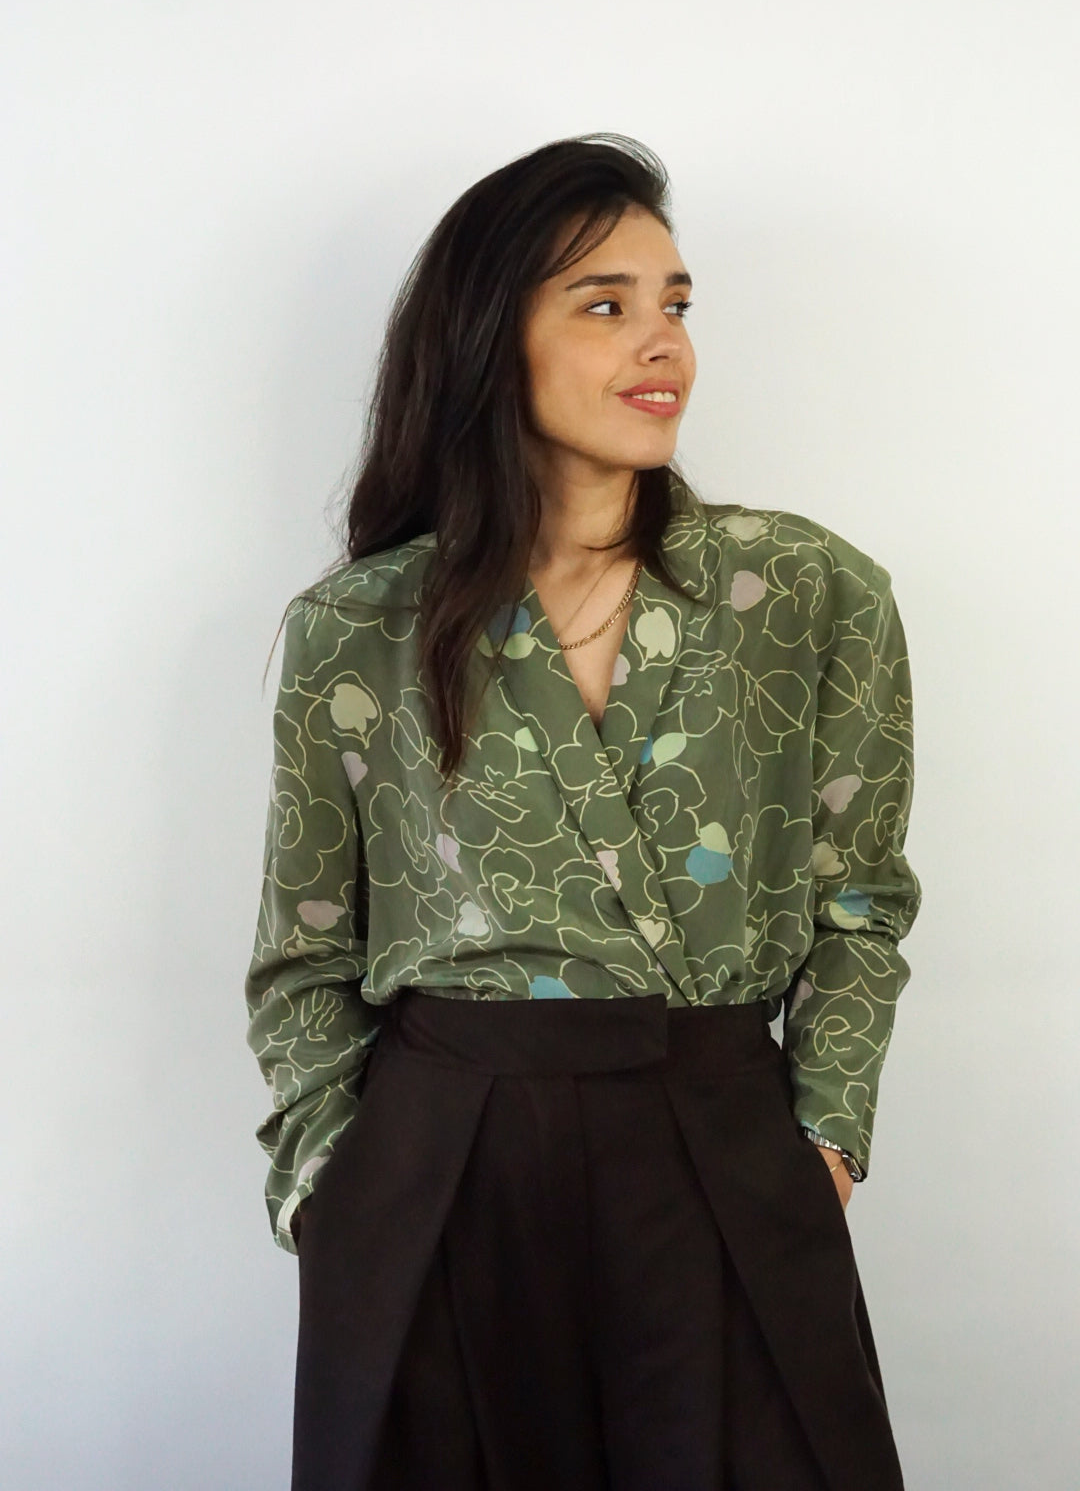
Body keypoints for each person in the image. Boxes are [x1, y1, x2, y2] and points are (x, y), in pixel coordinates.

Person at [244, 133, 922, 1491]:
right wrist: (336, 1191)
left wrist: (825, 1138)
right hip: (442, 1165)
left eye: (676, 303)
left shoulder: (806, 592)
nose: (662, 341)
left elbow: (860, 903)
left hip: (721, 1146)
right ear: (490, 338)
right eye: (605, 304)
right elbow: (307, 952)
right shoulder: (360, 628)